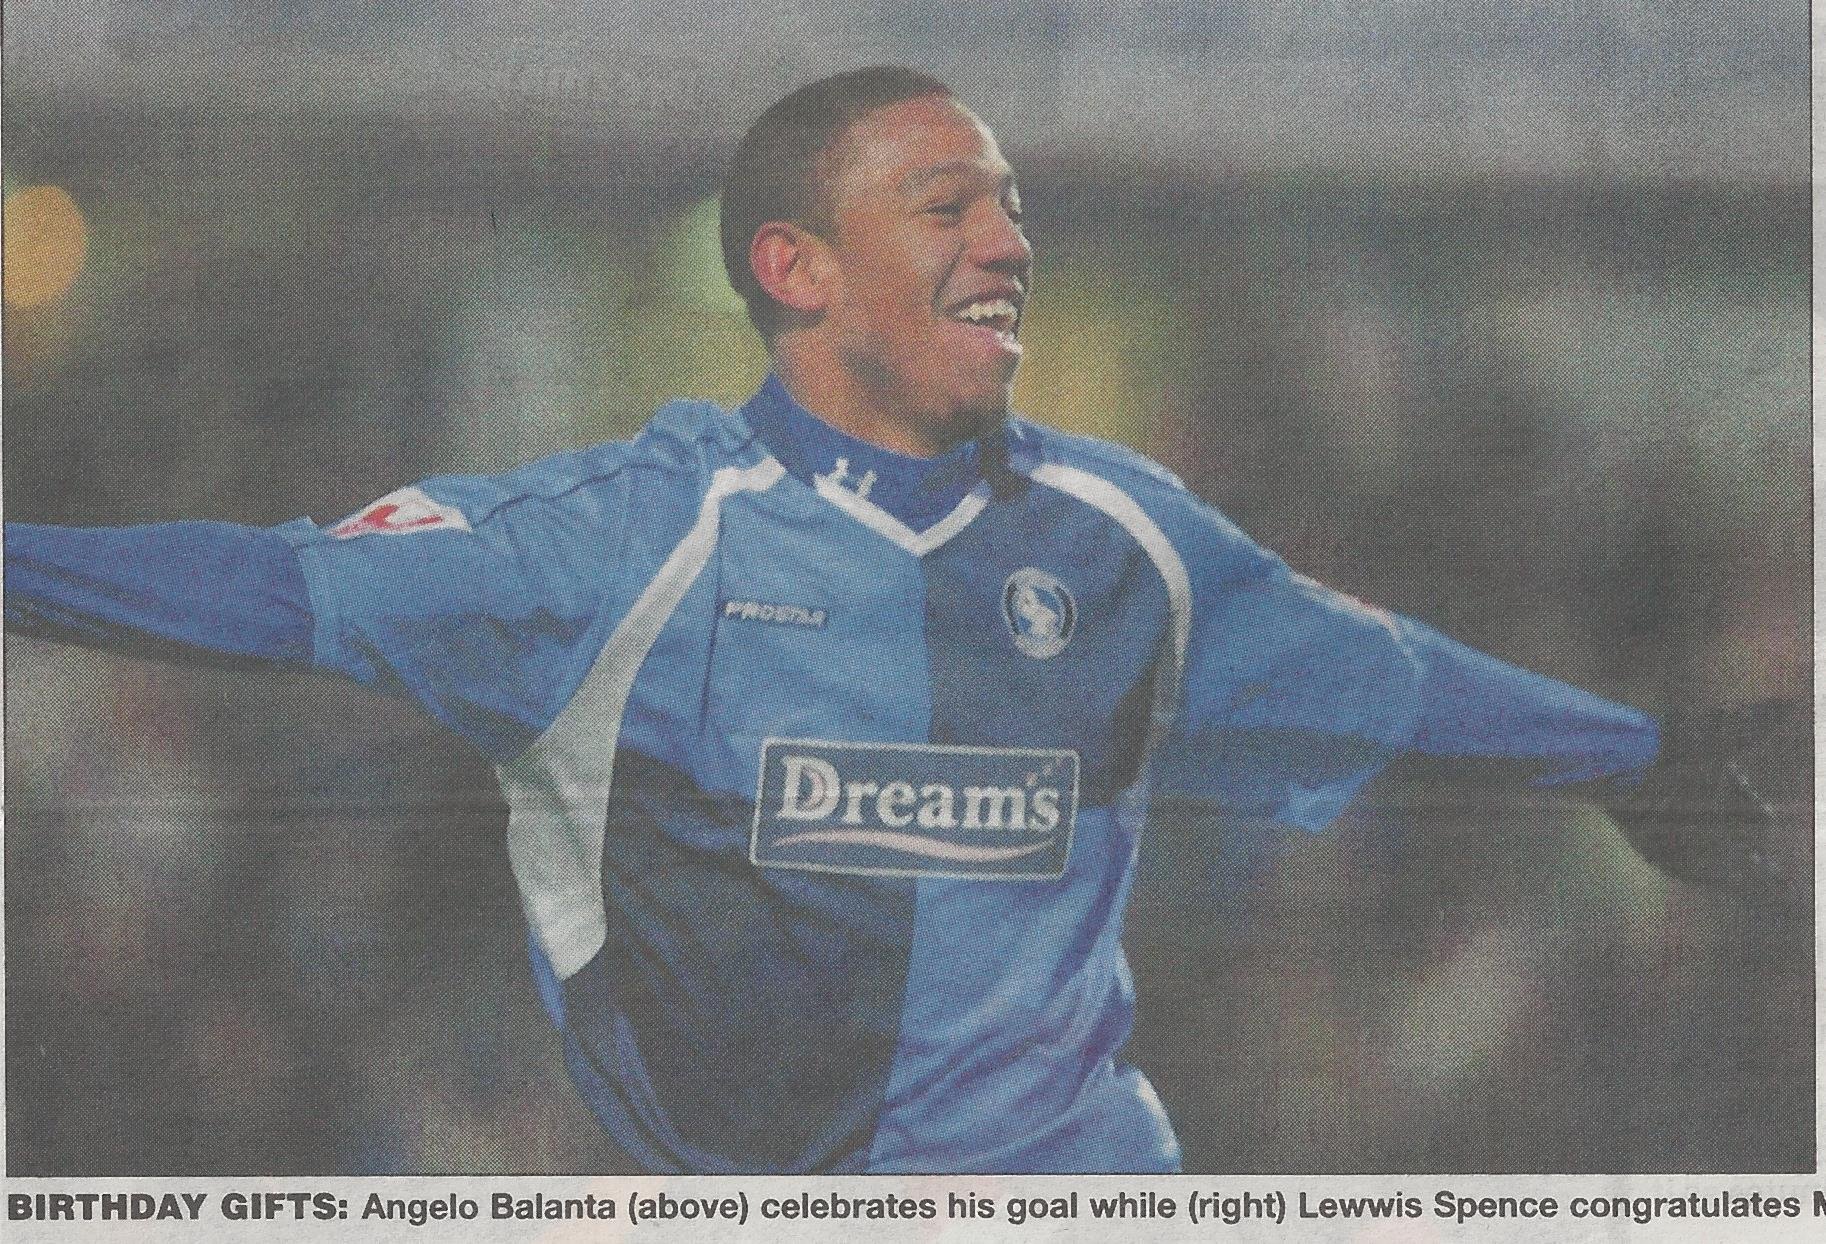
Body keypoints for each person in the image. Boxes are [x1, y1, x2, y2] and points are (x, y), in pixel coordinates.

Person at [4, 67, 1790, 1174]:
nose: (1004, 245)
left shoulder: (1123, 544)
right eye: (945, 208)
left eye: (1009, 208)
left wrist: (1644, 756)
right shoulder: (617, 544)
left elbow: (1377, 679)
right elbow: (271, 582)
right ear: (791, 267)